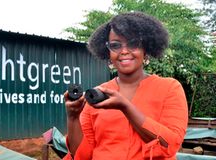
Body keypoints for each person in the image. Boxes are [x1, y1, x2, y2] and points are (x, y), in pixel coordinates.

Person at [63, 11, 188, 160]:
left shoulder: (169, 88)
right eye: (115, 45)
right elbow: (81, 156)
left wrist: (126, 107)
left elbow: (169, 145)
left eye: (133, 44)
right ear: (108, 52)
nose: (124, 51)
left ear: (146, 49)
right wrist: (73, 117)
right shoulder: (98, 95)